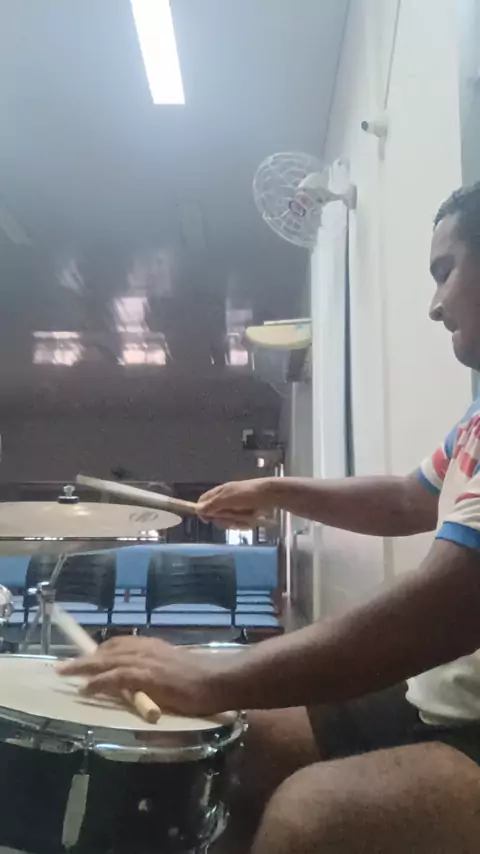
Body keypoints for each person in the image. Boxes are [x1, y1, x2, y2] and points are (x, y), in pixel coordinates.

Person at [61, 183, 480, 853]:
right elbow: (408, 498)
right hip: (446, 696)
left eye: (445, 271)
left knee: (307, 817)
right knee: (241, 745)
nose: (434, 304)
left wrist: (211, 675)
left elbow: (451, 605)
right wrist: (278, 490)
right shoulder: (475, 421)